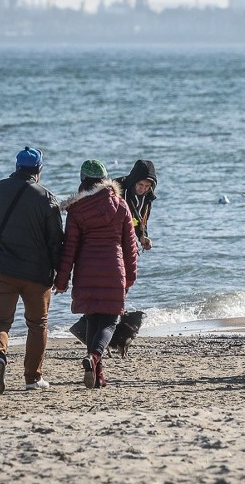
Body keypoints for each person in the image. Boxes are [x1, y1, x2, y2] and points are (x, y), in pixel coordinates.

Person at [0, 146, 64, 394]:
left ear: (17, 167)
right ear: (38, 170)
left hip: (2, 269)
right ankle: (33, 377)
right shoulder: (46, 197)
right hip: (36, 274)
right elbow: (55, 240)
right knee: (38, 324)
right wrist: (60, 273)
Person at [55, 159, 139, 389]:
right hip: (114, 268)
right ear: (105, 181)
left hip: (86, 270)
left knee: (92, 318)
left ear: (83, 181)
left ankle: (97, 372)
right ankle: (94, 358)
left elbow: (69, 248)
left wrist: (61, 281)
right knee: (110, 321)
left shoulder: (76, 210)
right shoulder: (121, 206)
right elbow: (130, 246)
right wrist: (130, 276)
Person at [69, 159, 157, 343]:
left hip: (124, 246)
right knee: (112, 294)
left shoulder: (147, 196)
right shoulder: (117, 192)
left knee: (114, 293)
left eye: (147, 186)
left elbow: (140, 220)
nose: (142, 189)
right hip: (114, 247)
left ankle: (96, 331)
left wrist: (143, 237)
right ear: (133, 181)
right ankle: (91, 329)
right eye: (140, 184)